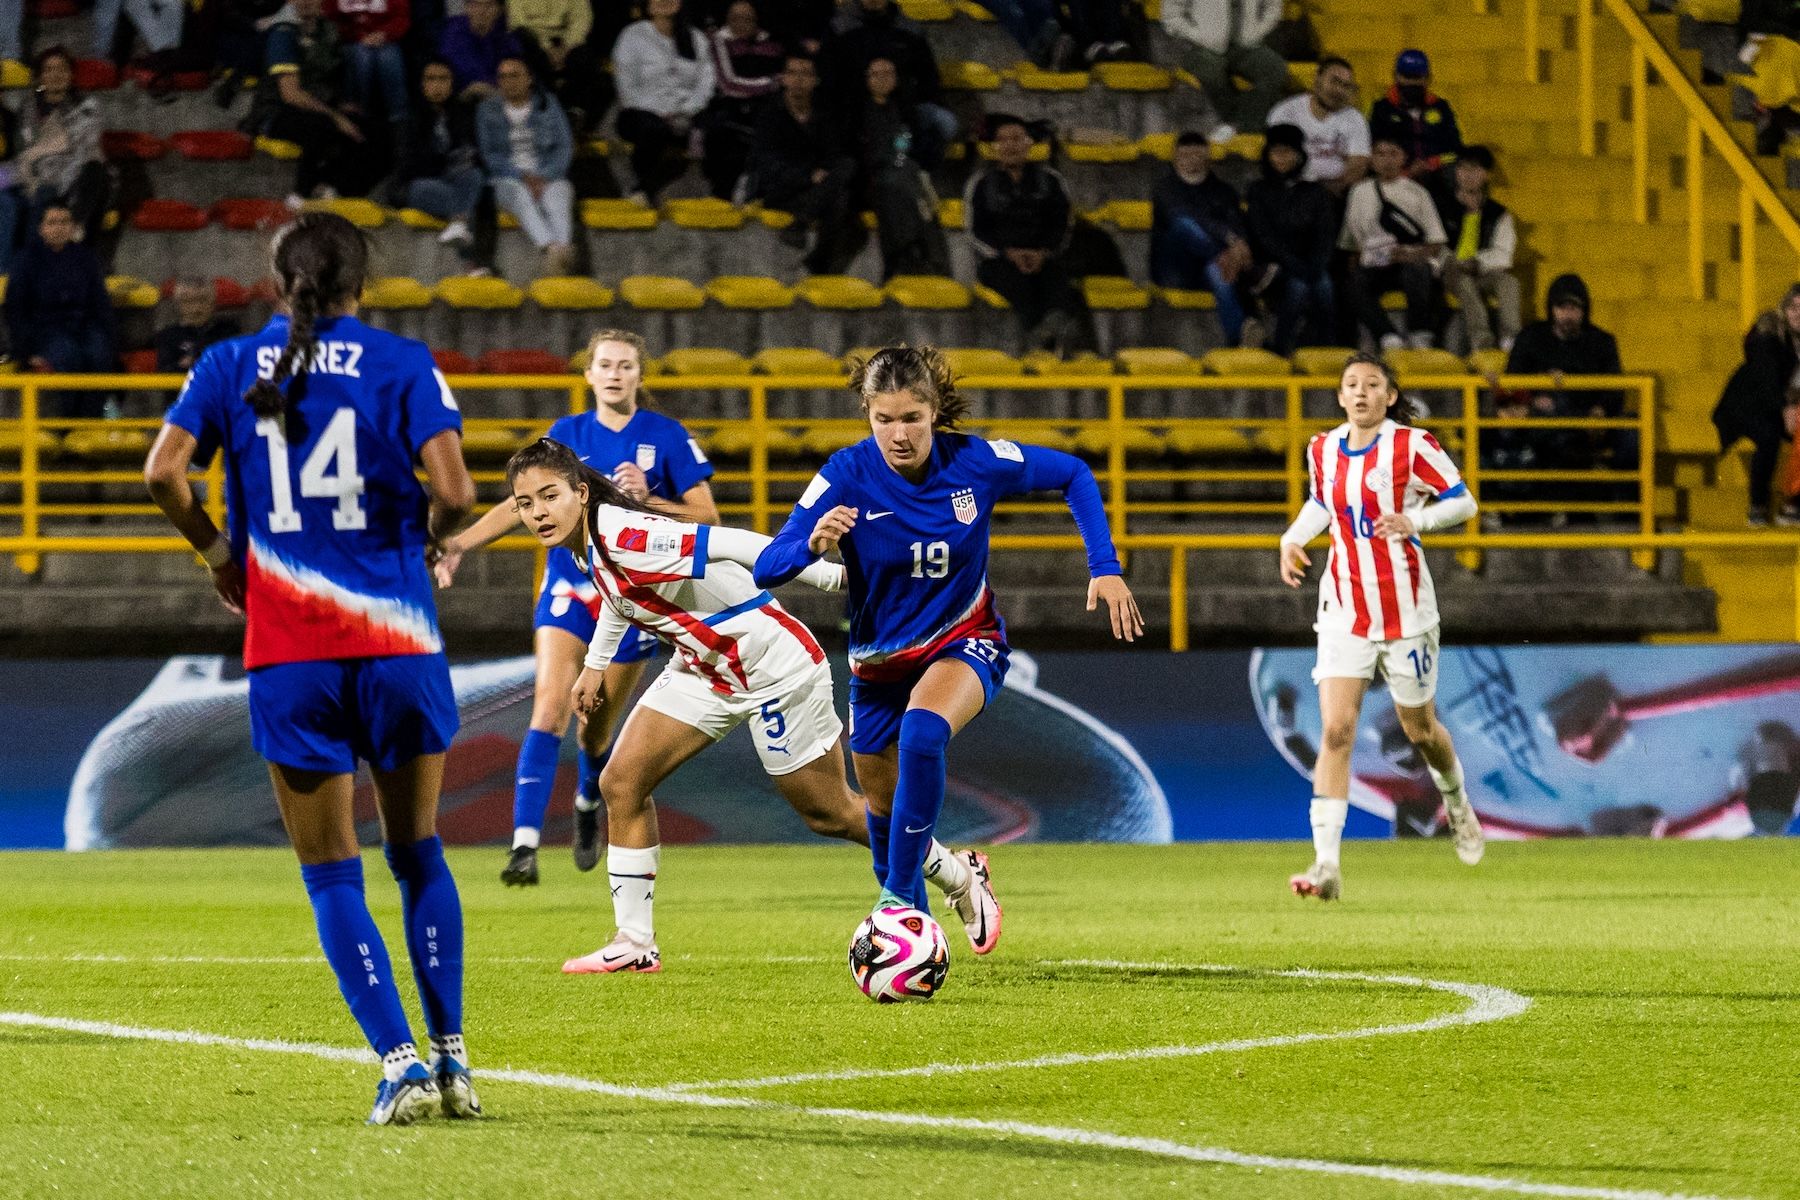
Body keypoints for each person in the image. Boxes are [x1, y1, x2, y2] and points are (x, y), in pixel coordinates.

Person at [142, 212, 481, 1125]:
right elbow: (455, 492)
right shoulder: (401, 363)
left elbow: (163, 473)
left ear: (276, 279)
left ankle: (400, 1063)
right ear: (360, 285)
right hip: (398, 644)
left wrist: (220, 555)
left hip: (292, 650)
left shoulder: (225, 368)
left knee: (333, 872)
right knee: (418, 853)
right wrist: (430, 548)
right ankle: (454, 1060)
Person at [497, 438, 999, 971]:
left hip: (771, 664)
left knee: (831, 813)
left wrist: (831, 576)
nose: (538, 513)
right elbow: (625, 597)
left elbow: (730, 543)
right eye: (526, 504)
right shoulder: (592, 541)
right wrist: (596, 665)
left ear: (579, 491)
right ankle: (635, 944)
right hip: (705, 668)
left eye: (548, 496)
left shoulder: (626, 533)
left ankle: (961, 874)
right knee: (620, 782)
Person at [754, 345, 1143, 925]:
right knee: (885, 820)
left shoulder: (977, 461)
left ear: (934, 410)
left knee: (923, 731)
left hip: (965, 639)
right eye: (883, 419)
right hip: (878, 664)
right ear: (867, 413)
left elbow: (1074, 474)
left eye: (911, 417)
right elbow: (768, 565)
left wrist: (1105, 565)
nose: (898, 433)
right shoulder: (844, 474)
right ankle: (928, 911)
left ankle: (894, 915)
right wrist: (811, 546)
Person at [433, 329, 717, 887]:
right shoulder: (564, 437)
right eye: (605, 365)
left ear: (639, 375)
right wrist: (460, 544)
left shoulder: (666, 436)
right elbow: (519, 506)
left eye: (626, 365)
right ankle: (524, 847)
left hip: (631, 597)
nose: (615, 374)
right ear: (588, 375)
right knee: (549, 707)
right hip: (569, 588)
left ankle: (589, 797)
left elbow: (706, 517)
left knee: (592, 733)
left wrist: (648, 500)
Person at [1277, 352, 1484, 901]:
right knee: (1336, 730)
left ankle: (1457, 803)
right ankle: (1326, 865)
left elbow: (1464, 503)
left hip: (1407, 612)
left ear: (1390, 396)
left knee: (1419, 731)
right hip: (1344, 609)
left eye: (1373, 384)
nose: (1361, 392)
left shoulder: (1412, 446)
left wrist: (1415, 519)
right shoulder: (1322, 448)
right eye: (1352, 384)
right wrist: (1292, 537)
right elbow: (1324, 501)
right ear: (1341, 396)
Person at [966, 115, 1090, 354]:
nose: (1010, 146)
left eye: (1016, 139)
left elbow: (1063, 224)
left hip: (1044, 256)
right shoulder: (981, 183)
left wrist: (1043, 252)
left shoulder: (1051, 181)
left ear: (1028, 144)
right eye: (1003, 140)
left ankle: (1058, 330)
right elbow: (975, 230)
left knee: (1057, 278)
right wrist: (1008, 253)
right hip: (999, 260)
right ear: (994, 147)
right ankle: (1038, 339)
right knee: (1018, 282)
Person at [1506, 272, 1629, 507]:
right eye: (1562, 307)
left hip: (1586, 422)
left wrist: (1600, 410)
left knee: (1631, 437)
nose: (1568, 315)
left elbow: (1616, 389)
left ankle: (1627, 512)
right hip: (1539, 422)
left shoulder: (1602, 341)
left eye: (1575, 308)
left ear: (1585, 311)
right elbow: (1512, 381)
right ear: (1551, 309)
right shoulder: (1531, 337)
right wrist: (1535, 392)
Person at [249, 0, 375, 205]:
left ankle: (334, 188)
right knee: (323, 127)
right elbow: (291, 94)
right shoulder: (284, 33)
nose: (306, 2)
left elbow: (327, 78)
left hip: (316, 105)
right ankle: (300, 195)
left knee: (370, 129)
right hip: (276, 111)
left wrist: (340, 105)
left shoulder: (328, 30)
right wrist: (335, 115)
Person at [747, 53, 861, 276]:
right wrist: (807, 175)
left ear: (815, 80)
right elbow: (767, 163)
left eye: (805, 74)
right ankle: (819, 264)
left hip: (818, 190)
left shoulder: (825, 116)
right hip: (784, 190)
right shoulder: (770, 115)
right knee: (840, 198)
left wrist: (821, 177)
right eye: (793, 73)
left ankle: (800, 223)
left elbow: (833, 156)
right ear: (783, 78)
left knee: (846, 171)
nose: (799, 79)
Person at [4, 204, 118, 417]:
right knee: (69, 357)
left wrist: (110, 340)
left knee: (100, 354)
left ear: (73, 227)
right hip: (44, 330)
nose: (59, 228)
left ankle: (90, 424)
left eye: (64, 222)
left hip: (82, 327)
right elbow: (16, 310)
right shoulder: (25, 261)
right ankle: (68, 427)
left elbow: (100, 303)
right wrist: (25, 353)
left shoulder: (86, 258)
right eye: (52, 222)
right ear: (41, 228)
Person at [1340, 134, 1446, 350]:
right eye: (1380, 154)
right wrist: (1367, 256)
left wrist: (1407, 255)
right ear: (1372, 158)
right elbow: (1350, 244)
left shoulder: (1418, 193)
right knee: (1353, 282)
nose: (1387, 160)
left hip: (1410, 261)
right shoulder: (1359, 192)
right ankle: (1387, 336)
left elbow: (1436, 242)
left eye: (1393, 154)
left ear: (1403, 158)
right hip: (1375, 264)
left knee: (1416, 270)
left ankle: (1420, 333)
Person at [1149, 130, 1254, 346]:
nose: (1189, 160)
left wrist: (1237, 242)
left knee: (1218, 273)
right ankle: (1221, 257)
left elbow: (1237, 225)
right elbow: (1185, 216)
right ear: (1175, 157)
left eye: (1196, 155)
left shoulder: (1224, 191)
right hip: (1175, 268)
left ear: (1207, 156)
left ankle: (1238, 340)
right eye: (1184, 155)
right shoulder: (1164, 189)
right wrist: (1228, 243)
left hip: (1214, 265)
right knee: (1184, 225)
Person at [475, 56, 576, 275]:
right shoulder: (487, 110)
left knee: (559, 195)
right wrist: (522, 176)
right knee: (519, 194)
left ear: (529, 78)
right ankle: (552, 248)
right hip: (507, 178)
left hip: (547, 174)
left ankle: (560, 249)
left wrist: (544, 176)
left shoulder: (548, 103)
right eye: (502, 76)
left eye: (514, 75)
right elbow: (489, 155)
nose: (508, 81)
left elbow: (565, 146)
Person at [822, 0, 957, 163]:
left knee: (945, 122)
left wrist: (908, 97)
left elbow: (928, 74)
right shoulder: (840, 27)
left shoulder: (908, 27)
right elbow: (831, 76)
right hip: (855, 106)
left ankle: (914, 168)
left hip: (904, 105)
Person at [853, 55, 950, 279]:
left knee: (906, 185)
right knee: (900, 187)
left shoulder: (904, 109)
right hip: (870, 174)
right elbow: (860, 149)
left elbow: (904, 141)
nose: (882, 79)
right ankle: (909, 253)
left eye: (888, 74)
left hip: (899, 170)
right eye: (876, 74)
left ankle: (914, 256)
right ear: (867, 79)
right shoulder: (858, 111)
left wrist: (897, 161)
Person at [1245, 123, 1336, 355]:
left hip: (1309, 262)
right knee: (1296, 286)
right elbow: (1263, 235)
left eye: (1288, 152)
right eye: (1277, 152)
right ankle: (1281, 347)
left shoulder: (1315, 192)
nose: (1282, 158)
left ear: (1299, 155)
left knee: (1324, 285)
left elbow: (1324, 233)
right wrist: (1293, 263)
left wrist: (1316, 263)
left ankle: (1324, 346)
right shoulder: (1258, 190)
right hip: (1273, 265)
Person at [612, 0, 716, 203]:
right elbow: (626, 84)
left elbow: (706, 82)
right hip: (640, 113)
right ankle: (638, 187)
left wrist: (686, 110)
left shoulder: (696, 38)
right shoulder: (633, 35)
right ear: (648, 6)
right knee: (654, 128)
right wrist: (659, 111)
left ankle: (723, 193)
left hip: (685, 116)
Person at [392, 57, 490, 272]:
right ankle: (469, 263)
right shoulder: (409, 116)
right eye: (431, 79)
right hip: (418, 184)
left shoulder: (464, 113)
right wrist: (450, 161)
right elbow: (409, 165)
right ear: (423, 84)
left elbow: (476, 154)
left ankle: (459, 225)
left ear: (452, 83)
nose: (437, 84)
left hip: (457, 179)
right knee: (465, 200)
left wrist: (461, 160)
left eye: (443, 79)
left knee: (474, 176)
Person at [1715, 283, 1800, 526]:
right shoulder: (1768, 332)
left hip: (1780, 405)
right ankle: (1757, 505)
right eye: (1793, 307)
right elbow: (1766, 376)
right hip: (1746, 406)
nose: (1798, 313)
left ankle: (1792, 504)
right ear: (1784, 309)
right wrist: (1785, 407)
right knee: (1769, 435)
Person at [8, 48, 110, 248]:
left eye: (62, 69)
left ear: (71, 75)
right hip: (32, 173)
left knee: (94, 167)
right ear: (39, 77)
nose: (56, 75)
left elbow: (85, 147)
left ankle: (71, 231)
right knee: (34, 189)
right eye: (49, 69)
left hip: (76, 174)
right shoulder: (27, 109)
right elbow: (22, 152)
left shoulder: (87, 106)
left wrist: (47, 157)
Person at [1160, 0, 1286, 144]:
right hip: (1199, 45)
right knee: (1210, 68)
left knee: (1274, 67)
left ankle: (1239, 126)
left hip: (1246, 44)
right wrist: (1197, 34)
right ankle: (1240, 124)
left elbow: (1273, 7)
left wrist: (1257, 32)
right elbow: (1170, 15)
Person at [1434, 144, 1519, 353]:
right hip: (1451, 269)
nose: (1468, 175)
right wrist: (1451, 262)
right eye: (1463, 168)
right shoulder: (1441, 207)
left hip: (1482, 270)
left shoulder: (1498, 213)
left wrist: (1479, 263)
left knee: (1509, 282)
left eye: (1475, 169)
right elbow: (1433, 245)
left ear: (1486, 175)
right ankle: (1482, 344)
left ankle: (1511, 340)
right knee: (1464, 283)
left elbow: (1503, 253)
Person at [700, 0, 783, 199]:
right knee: (724, 134)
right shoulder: (719, 41)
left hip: (766, 108)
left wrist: (770, 85)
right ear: (727, 20)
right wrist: (769, 84)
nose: (742, 22)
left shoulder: (772, 43)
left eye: (748, 18)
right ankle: (723, 193)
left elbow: (784, 76)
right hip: (731, 107)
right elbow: (729, 84)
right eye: (735, 18)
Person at [1266, 57, 1370, 199]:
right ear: (1317, 79)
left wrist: (1331, 190)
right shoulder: (1285, 112)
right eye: (1335, 81)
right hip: (1291, 192)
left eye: (1346, 86)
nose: (1339, 90)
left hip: (1336, 193)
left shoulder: (1354, 118)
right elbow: (1278, 159)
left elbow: (1358, 164)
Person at [1368, 49, 1462, 183]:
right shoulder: (1382, 109)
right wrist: (1406, 172)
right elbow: (1375, 150)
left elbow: (1455, 150)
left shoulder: (1441, 108)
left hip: (1437, 176)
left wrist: (1431, 164)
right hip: (1395, 177)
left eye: (1417, 77)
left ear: (1428, 78)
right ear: (1395, 76)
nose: (1411, 83)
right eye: (1407, 77)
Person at [510, 0, 601, 134]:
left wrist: (567, 47)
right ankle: (544, 107)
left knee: (585, 57)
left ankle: (574, 110)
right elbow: (517, 22)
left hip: (566, 42)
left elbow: (581, 19)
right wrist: (546, 48)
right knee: (522, 41)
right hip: (534, 43)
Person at [327, 0, 409, 139]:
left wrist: (384, 34)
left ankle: (400, 123)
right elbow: (329, 19)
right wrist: (359, 36)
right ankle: (357, 119)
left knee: (387, 56)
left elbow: (402, 18)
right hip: (349, 41)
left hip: (385, 40)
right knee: (362, 56)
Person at [153, 276, 242, 374]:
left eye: (203, 300)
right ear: (178, 305)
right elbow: (165, 372)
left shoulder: (229, 332)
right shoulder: (168, 336)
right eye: (188, 302)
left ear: (213, 303)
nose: (196, 308)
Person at [438, 0, 521, 101]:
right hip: (460, 101)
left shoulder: (507, 38)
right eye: (475, 4)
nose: (481, 11)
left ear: (500, 10)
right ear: (466, 7)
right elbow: (467, 75)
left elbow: (517, 74)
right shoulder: (453, 33)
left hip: (500, 101)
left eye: (489, 5)